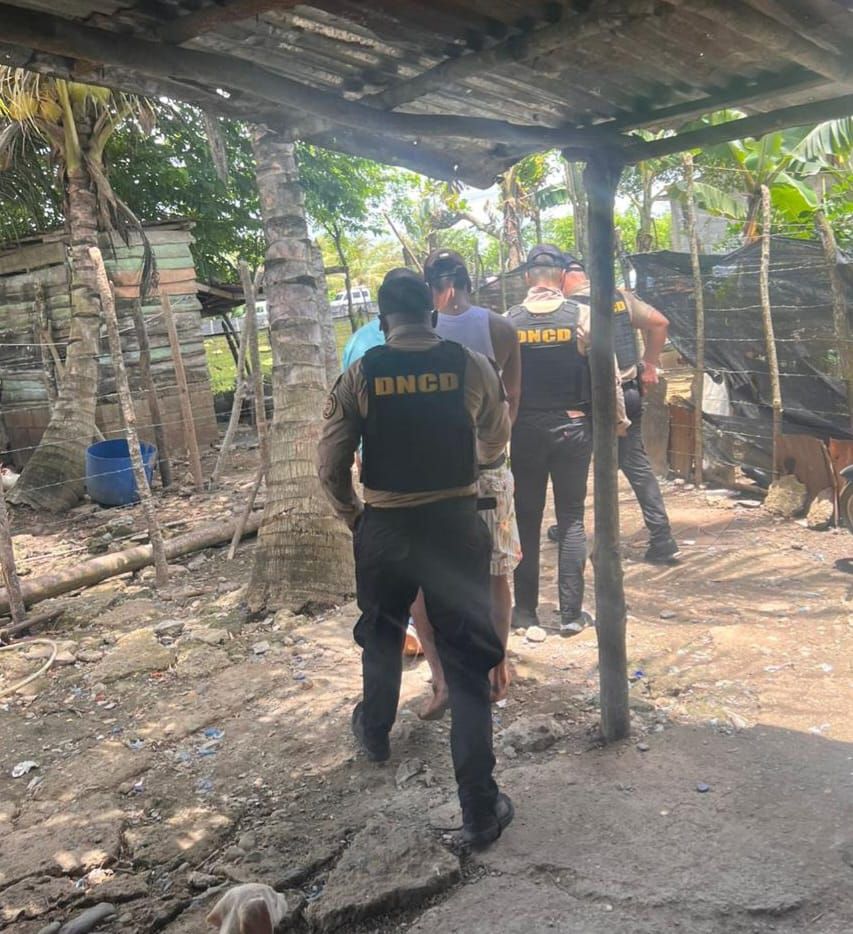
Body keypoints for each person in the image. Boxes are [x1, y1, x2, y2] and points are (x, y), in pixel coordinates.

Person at [317, 268, 514, 849]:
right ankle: (480, 808)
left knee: (381, 634)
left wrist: (355, 515)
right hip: (455, 525)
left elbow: (330, 464)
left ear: (382, 323)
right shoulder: (470, 365)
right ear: (432, 316)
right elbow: (497, 435)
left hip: (386, 528)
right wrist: (474, 465)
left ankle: (375, 732)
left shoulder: (360, 374)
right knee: (467, 664)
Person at [411, 249, 522, 717]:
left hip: (432, 475)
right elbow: (512, 400)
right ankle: (497, 667)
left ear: (438, 287)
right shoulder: (501, 328)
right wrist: (486, 452)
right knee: (496, 573)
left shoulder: (421, 333)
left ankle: (443, 679)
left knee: (428, 578)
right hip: (489, 469)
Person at [509, 245, 629, 636]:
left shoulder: (508, 322)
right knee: (572, 518)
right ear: (562, 277)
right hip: (573, 427)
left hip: (524, 430)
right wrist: (618, 421)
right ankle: (571, 614)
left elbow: (497, 381)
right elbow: (608, 375)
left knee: (526, 519)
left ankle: (524, 612)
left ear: (527, 277)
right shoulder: (582, 316)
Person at [546, 262, 680, 564]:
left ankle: (570, 527)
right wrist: (649, 365)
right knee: (636, 464)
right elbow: (660, 323)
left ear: (563, 278)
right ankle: (662, 538)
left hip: (590, 400)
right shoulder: (618, 296)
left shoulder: (568, 310)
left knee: (574, 464)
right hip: (629, 393)